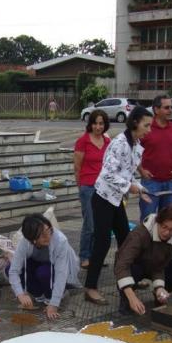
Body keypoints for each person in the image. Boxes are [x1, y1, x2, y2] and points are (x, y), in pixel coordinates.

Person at [84, 106, 153, 305]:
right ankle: (90, 287)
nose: (149, 129)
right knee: (102, 242)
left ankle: (128, 278)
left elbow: (127, 174)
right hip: (103, 198)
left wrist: (140, 188)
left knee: (126, 240)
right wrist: (129, 186)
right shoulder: (119, 143)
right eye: (146, 125)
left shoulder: (135, 144)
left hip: (116, 200)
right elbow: (107, 174)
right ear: (134, 123)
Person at [114, 204, 172, 315]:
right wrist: (132, 297)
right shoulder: (140, 234)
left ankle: (159, 294)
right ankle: (126, 298)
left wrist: (159, 287)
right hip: (134, 264)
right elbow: (122, 264)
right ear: (158, 222)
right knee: (132, 271)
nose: (167, 233)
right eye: (164, 227)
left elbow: (161, 266)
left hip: (152, 264)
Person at [8, 214, 80, 320]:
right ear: (33, 239)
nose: (48, 236)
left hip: (53, 268)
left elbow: (61, 273)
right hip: (37, 263)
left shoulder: (60, 241)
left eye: (49, 230)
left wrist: (54, 304)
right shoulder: (25, 242)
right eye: (42, 234)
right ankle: (38, 294)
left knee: (43, 272)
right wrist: (20, 294)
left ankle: (55, 294)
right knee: (8, 268)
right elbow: (13, 271)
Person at [138, 95, 172, 222]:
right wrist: (141, 170)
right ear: (156, 109)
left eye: (171, 107)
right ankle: (146, 242)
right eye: (166, 107)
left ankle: (162, 243)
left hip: (170, 182)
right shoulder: (146, 127)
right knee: (148, 220)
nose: (170, 110)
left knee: (167, 221)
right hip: (150, 183)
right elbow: (133, 151)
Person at [74, 109, 110, 269]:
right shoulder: (83, 141)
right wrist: (80, 186)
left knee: (102, 224)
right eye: (95, 123)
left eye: (101, 123)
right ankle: (84, 256)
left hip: (104, 189)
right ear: (91, 124)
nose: (98, 127)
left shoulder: (108, 142)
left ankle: (97, 256)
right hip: (88, 187)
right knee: (90, 224)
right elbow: (77, 166)